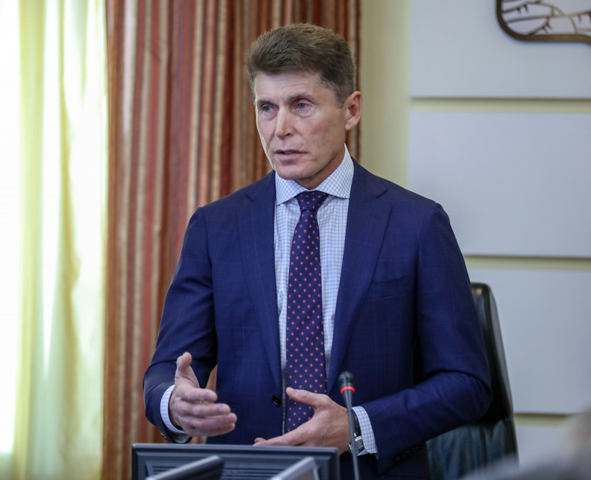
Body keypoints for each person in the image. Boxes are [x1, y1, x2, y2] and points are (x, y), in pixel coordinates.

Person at [144, 23, 491, 479]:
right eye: (266, 108)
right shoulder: (216, 227)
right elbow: (167, 369)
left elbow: (467, 383)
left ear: (351, 110)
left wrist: (358, 427)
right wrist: (175, 403)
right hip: (249, 471)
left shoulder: (417, 224)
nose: (280, 129)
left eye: (301, 105)